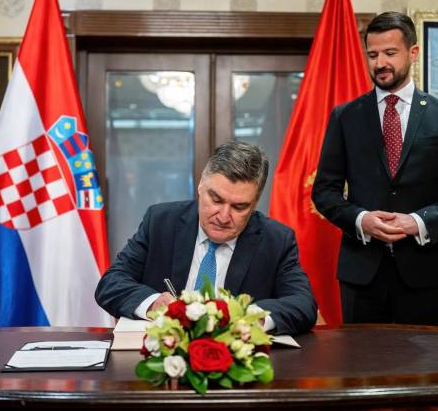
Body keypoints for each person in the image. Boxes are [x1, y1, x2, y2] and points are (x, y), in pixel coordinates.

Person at [311, 11, 438, 326]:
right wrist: (361, 220)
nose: (380, 63)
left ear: (413, 52)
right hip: (361, 274)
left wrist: (418, 222)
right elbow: (324, 191)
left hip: (425, 272)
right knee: (362, 359)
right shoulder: (345, 117)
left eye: (390, 53)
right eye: (373, 55)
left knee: (424, 359)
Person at [96, 141, 317, 335]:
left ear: (255, 202)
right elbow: (111, 283)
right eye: (216, 200)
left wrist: (250, 317)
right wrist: (154, 303)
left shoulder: (276, 240)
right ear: (201, 184)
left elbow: (303, 304)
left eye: (239, 207)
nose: (223, 216)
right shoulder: (161, 222)